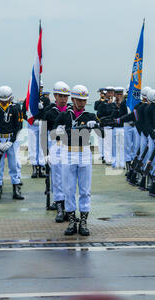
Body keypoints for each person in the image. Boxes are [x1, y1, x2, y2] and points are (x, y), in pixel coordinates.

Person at [54, 85, 100, 236]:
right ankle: (72, 221)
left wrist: (97, 126)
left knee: (85, 190)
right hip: (68, 153)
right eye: (79, 100)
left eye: (84, 100)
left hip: (84, 153)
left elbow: (104, 134)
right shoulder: (64, 116)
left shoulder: (89, 116)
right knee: (69, 189)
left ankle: (84, 221)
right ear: (73, 99)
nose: (82, 103)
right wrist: (60, 131)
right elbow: (54, 135)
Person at [0, 86, 24, 200]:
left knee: (14, 164)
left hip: (11, 140)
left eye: (6, 99)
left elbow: (18, 127)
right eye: (2, 100)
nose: (4, 101)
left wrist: (11, 141)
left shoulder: (14, 109)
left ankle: (16, 187)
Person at [44, 81, 71, 222]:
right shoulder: (49, 112)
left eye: (66, 96)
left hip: (70, 146)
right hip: (55, 145)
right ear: (55, 95)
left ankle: (69, 207)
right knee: (57, 179)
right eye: (61, 96)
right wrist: (44, 153)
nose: (63, 99)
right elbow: (43, 134)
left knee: (69, 179)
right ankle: (60, 207)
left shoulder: (71, 111)